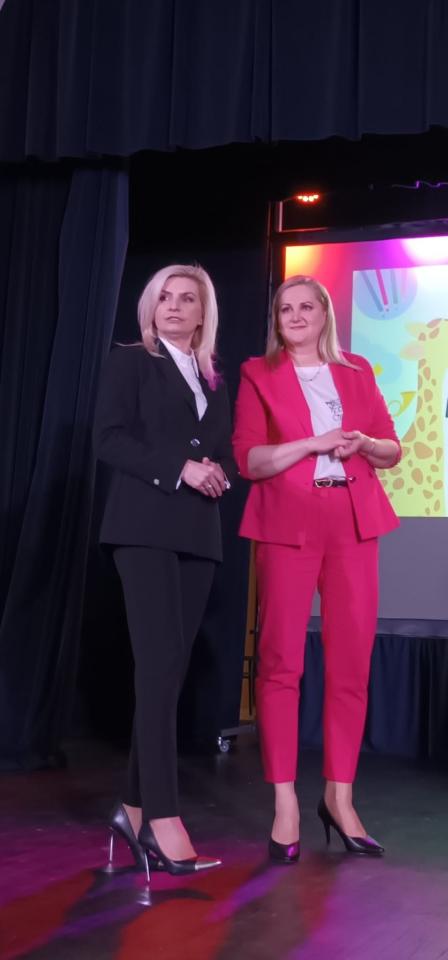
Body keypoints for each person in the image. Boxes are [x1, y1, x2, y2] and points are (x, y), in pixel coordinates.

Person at [232, 275, 401, 862]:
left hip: (353, 523)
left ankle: (340, 797)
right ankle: (285, 803)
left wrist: (363, 444)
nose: (297, 316)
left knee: (351, 663)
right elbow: (250, 460)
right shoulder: (259, 374)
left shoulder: (356, 370)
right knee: (281, 662)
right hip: (289, 525)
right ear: (277, 320)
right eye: (286, 309)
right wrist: (312, 443)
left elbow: (392, 449)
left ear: (325, 314)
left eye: (307, 307)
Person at [94, 264, 237, 877]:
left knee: (169, 674)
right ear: (151, 308)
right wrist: (180, 467)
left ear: (203, 314)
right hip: (143, 529)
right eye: (164, 298)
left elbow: (222, 449)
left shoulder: (213, 377)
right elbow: (108, 439)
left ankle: (131, 810)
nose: (174, 306)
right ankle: (162, 817)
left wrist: (219, 469)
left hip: (198, 534)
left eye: (187, 299)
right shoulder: (130, 362)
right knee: (157, 667)